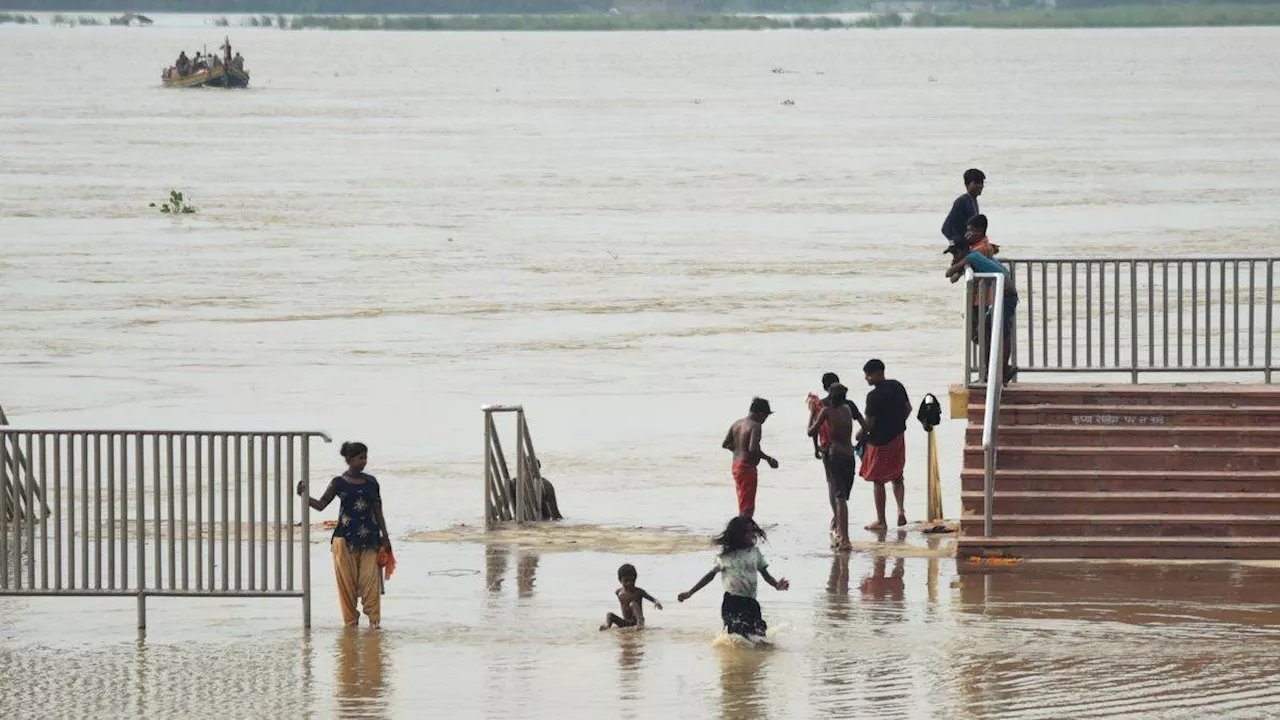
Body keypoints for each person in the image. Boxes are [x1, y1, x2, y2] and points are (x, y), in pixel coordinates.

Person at [297, 441, 390, 628]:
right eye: (360, 458)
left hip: (370, 539)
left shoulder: (372, 482)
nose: (364, 461)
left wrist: (385, 537)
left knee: (370, 583)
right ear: (349, 460)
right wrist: (304, 496)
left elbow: (378, 511)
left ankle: (374, 623)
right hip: (344, 539)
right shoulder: (338, 482)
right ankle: (350, 623)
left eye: (365, 457)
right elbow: (322, 505)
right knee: (346, 585)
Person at [677, 516, 789, 639]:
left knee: (759, 637)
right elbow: (709, 576)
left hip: (751, 602)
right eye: (747, 532)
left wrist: (777, 585)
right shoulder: (725, 557)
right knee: (737, 637)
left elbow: (766, 575)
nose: (751, 534)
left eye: (752, 531)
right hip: (732, 602)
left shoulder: (754, 552)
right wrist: (690, 592)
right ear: (737, 534)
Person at [946, 219, 1019, 382]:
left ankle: (1001, 371)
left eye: (955, 253)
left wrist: (957, 265)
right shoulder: (975, 253)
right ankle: (991, 371)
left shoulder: (973, 256)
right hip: (1000, 293)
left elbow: (949, 274)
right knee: (987, 331)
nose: (968, 233)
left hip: (1006, 294)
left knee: (1003, 332)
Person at [858, 360, 911, 530]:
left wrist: (859, 435)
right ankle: (901, 509)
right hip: (898, 438)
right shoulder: (897, 386)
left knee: (878, 480)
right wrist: (898, 424)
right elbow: (908, 409)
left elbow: (869, 423)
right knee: (897, 475)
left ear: (879, 373)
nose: (866, 378)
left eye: (869, 374)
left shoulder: (873, 397)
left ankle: (881, 520)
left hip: (879, 443)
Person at [808, 382, 860, 552]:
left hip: (835, 456)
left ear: (830, 395)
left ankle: (845, 539)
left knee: (840, 498)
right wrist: (858, 444)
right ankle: (842, 534)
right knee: (843, 496)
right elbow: (866, 428)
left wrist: (811, 413)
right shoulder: (849, 409)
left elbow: (811, 431)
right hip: (849, 456)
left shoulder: (826, 411)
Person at [722, 398, 779, 519]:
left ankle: (742, 526)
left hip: (736, 466)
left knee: (742, 500)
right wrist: (768, 459)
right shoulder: (756, 426)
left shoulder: (737, 423)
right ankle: (744, 529)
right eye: (765, 416)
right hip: (747, 468)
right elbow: (753, 448)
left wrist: (739, 450)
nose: (765, 420)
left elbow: (725, 444)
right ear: (760, 413)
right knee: (748, 505)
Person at [600, 563, 663, 630]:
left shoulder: (638, 592)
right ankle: (607, 626)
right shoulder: (618, 592)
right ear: (620, 580)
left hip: (636, 622)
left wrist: (657, 602)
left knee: (632, 604)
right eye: (626, 580)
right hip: (625, 623)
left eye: (632, 580)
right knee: (609, 615)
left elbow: (652, 598)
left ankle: (640, 623)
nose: (629, 583)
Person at [940, 168, 985, 249]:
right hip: (963, 248)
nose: (980, 186)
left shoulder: (973, 201)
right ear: (967, 185)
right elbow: (945, 228)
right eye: (976, 183)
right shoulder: (961, 201)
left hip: (971, 246)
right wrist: (957, 244)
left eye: (981, 183)